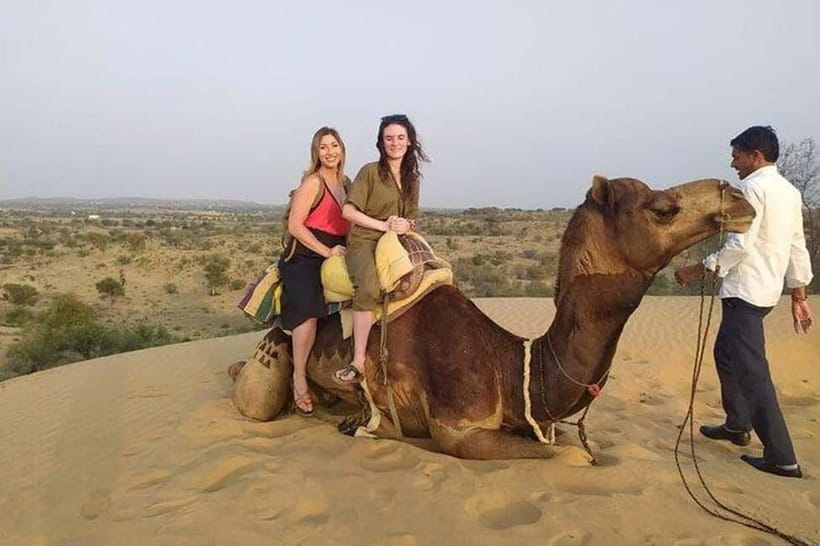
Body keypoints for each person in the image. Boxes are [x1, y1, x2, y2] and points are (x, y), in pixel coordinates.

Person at [675, 125, 813, 479]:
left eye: (737, 155)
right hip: (765, 293)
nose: (732, 162)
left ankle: (782, 458)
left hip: (746, 292)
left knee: (753, 375)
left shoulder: (751, 189)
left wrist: (697, 269)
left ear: (756, 156)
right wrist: (798, 292)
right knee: (726, 354)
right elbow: (798, 244)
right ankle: (737, 425)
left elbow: (740, 245)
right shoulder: (789, 192)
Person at [333, 114, 429, 385]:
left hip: (394, 239)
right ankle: (358, 360)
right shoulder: (370, 172)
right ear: (381, 142)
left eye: (400, 137)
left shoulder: (412, 179)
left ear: (409, 141)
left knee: (433, 273)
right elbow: (348, 211)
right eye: (389, 138)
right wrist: (382, 224)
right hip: (364, 239)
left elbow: (411, 217)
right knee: (369, 288)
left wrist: (403, 224)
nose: (394, 143)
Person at [279, 127, 350, 414]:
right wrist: (326, 253)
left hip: (337, 252)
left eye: (334, 145)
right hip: (306, 255)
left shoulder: (346, 183)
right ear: (316, 152)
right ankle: (299, 378)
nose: (330, 151)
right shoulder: (313, 182)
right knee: (309, 311)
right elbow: (295, 226)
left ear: (342, 149)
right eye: (324, 147)